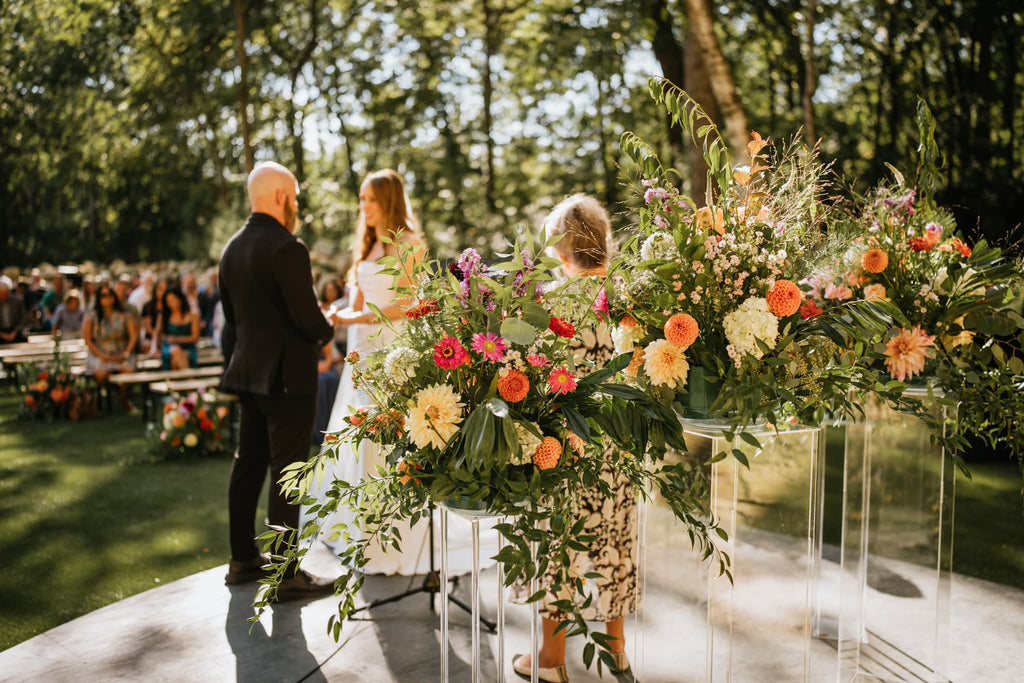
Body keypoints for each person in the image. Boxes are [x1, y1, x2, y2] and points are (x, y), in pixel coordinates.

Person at [511, 195, 633, 681]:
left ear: (562, 249)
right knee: (615, 540)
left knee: (557, 544)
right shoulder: (625, 296)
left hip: (568, 441)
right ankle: (618, 652)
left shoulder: (554, 304)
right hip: (617, 440)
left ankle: (551, 660)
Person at [219, 161, 336, 598]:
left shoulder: (232, 248)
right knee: (287, 472)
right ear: (282, 196)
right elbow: (306, 317)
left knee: (246, 465)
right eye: (296, 197)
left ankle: (242, 560)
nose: (297, 205)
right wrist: (328, 331)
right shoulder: (288, 247)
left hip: (248, 375)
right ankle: (285, 574)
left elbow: (232, 323)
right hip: (287, 379)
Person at [83, 283, 139, 398]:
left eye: (109, 294)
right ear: (99, 298)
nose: (107, 298)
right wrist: (103, 356)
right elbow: (88, 340)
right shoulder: (91, 317)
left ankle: (124, 399)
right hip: (100, 354)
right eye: (103, 295)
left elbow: (134, 336)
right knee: (101, 374)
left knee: (129, 372)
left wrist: (125, 353)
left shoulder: (126, 315)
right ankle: (117, 392)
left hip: (122, 353)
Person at [158, 287, 200, 369]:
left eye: (173, 300)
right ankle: (190, 380)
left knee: (177, 359)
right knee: (176, 351)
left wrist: (177, 339)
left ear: (180, 299)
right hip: (169, 347)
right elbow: (159, 334)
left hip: (188, 348)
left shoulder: (193, 316)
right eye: (169, 301)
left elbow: (195, 337)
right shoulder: (164, 316)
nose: (171, 304)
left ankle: (182, 379)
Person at [140, 278, 168, 355]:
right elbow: (148, 327)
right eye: (160, 289)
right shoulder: (148, 306)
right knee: (146, 346)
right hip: (151, 336)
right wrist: (158, 337)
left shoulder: (170, 306)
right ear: (155, 290)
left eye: (165, 289)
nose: (162, 292)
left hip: (166, 336)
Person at [0, 276, 28, 344]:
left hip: (15, 330)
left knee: (23, 337)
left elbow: (24, 318)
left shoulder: (17, 301)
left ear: (8, 292)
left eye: (5, 293)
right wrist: (2, 335)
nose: (3, 296)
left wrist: (14, 332)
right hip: (1, 331)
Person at [198, 267, 220, 337]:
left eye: (214, 277)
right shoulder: (202, 290)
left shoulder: (219, 289)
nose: (213, 279)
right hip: (206, 316)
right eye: (211, 277)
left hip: (215, 315)